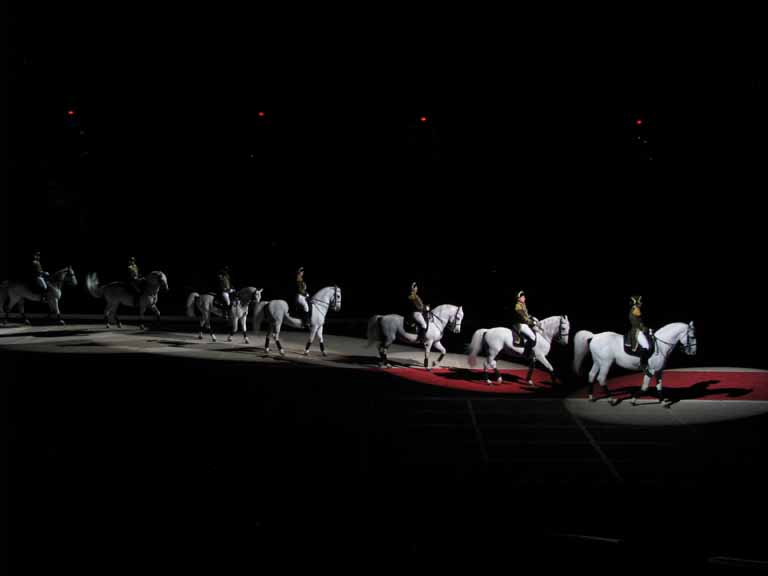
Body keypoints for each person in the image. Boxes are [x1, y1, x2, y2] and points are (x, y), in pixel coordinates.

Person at [628, 294, 651, 373]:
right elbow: (636, 323)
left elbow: (640, 322)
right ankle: (643, 364)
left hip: (639, 329)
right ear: (637, 302)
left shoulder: (636, 310)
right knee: (646, 346)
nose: (641, 303)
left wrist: (646, 328)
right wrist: (643, 328)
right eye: (640, 302)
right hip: (636, 331)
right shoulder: (635, 310)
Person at [513, 290, 537, 360]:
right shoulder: (518, 306)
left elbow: (526, 315)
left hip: (524, 323)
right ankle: (527, 354)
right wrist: (532, 322)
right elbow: (523, 318)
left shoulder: (523, 305)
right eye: (523, 297)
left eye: (524, 297)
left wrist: (532, 317)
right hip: (520, 324)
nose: (524, 298)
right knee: (533, 336)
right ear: (519, 298)